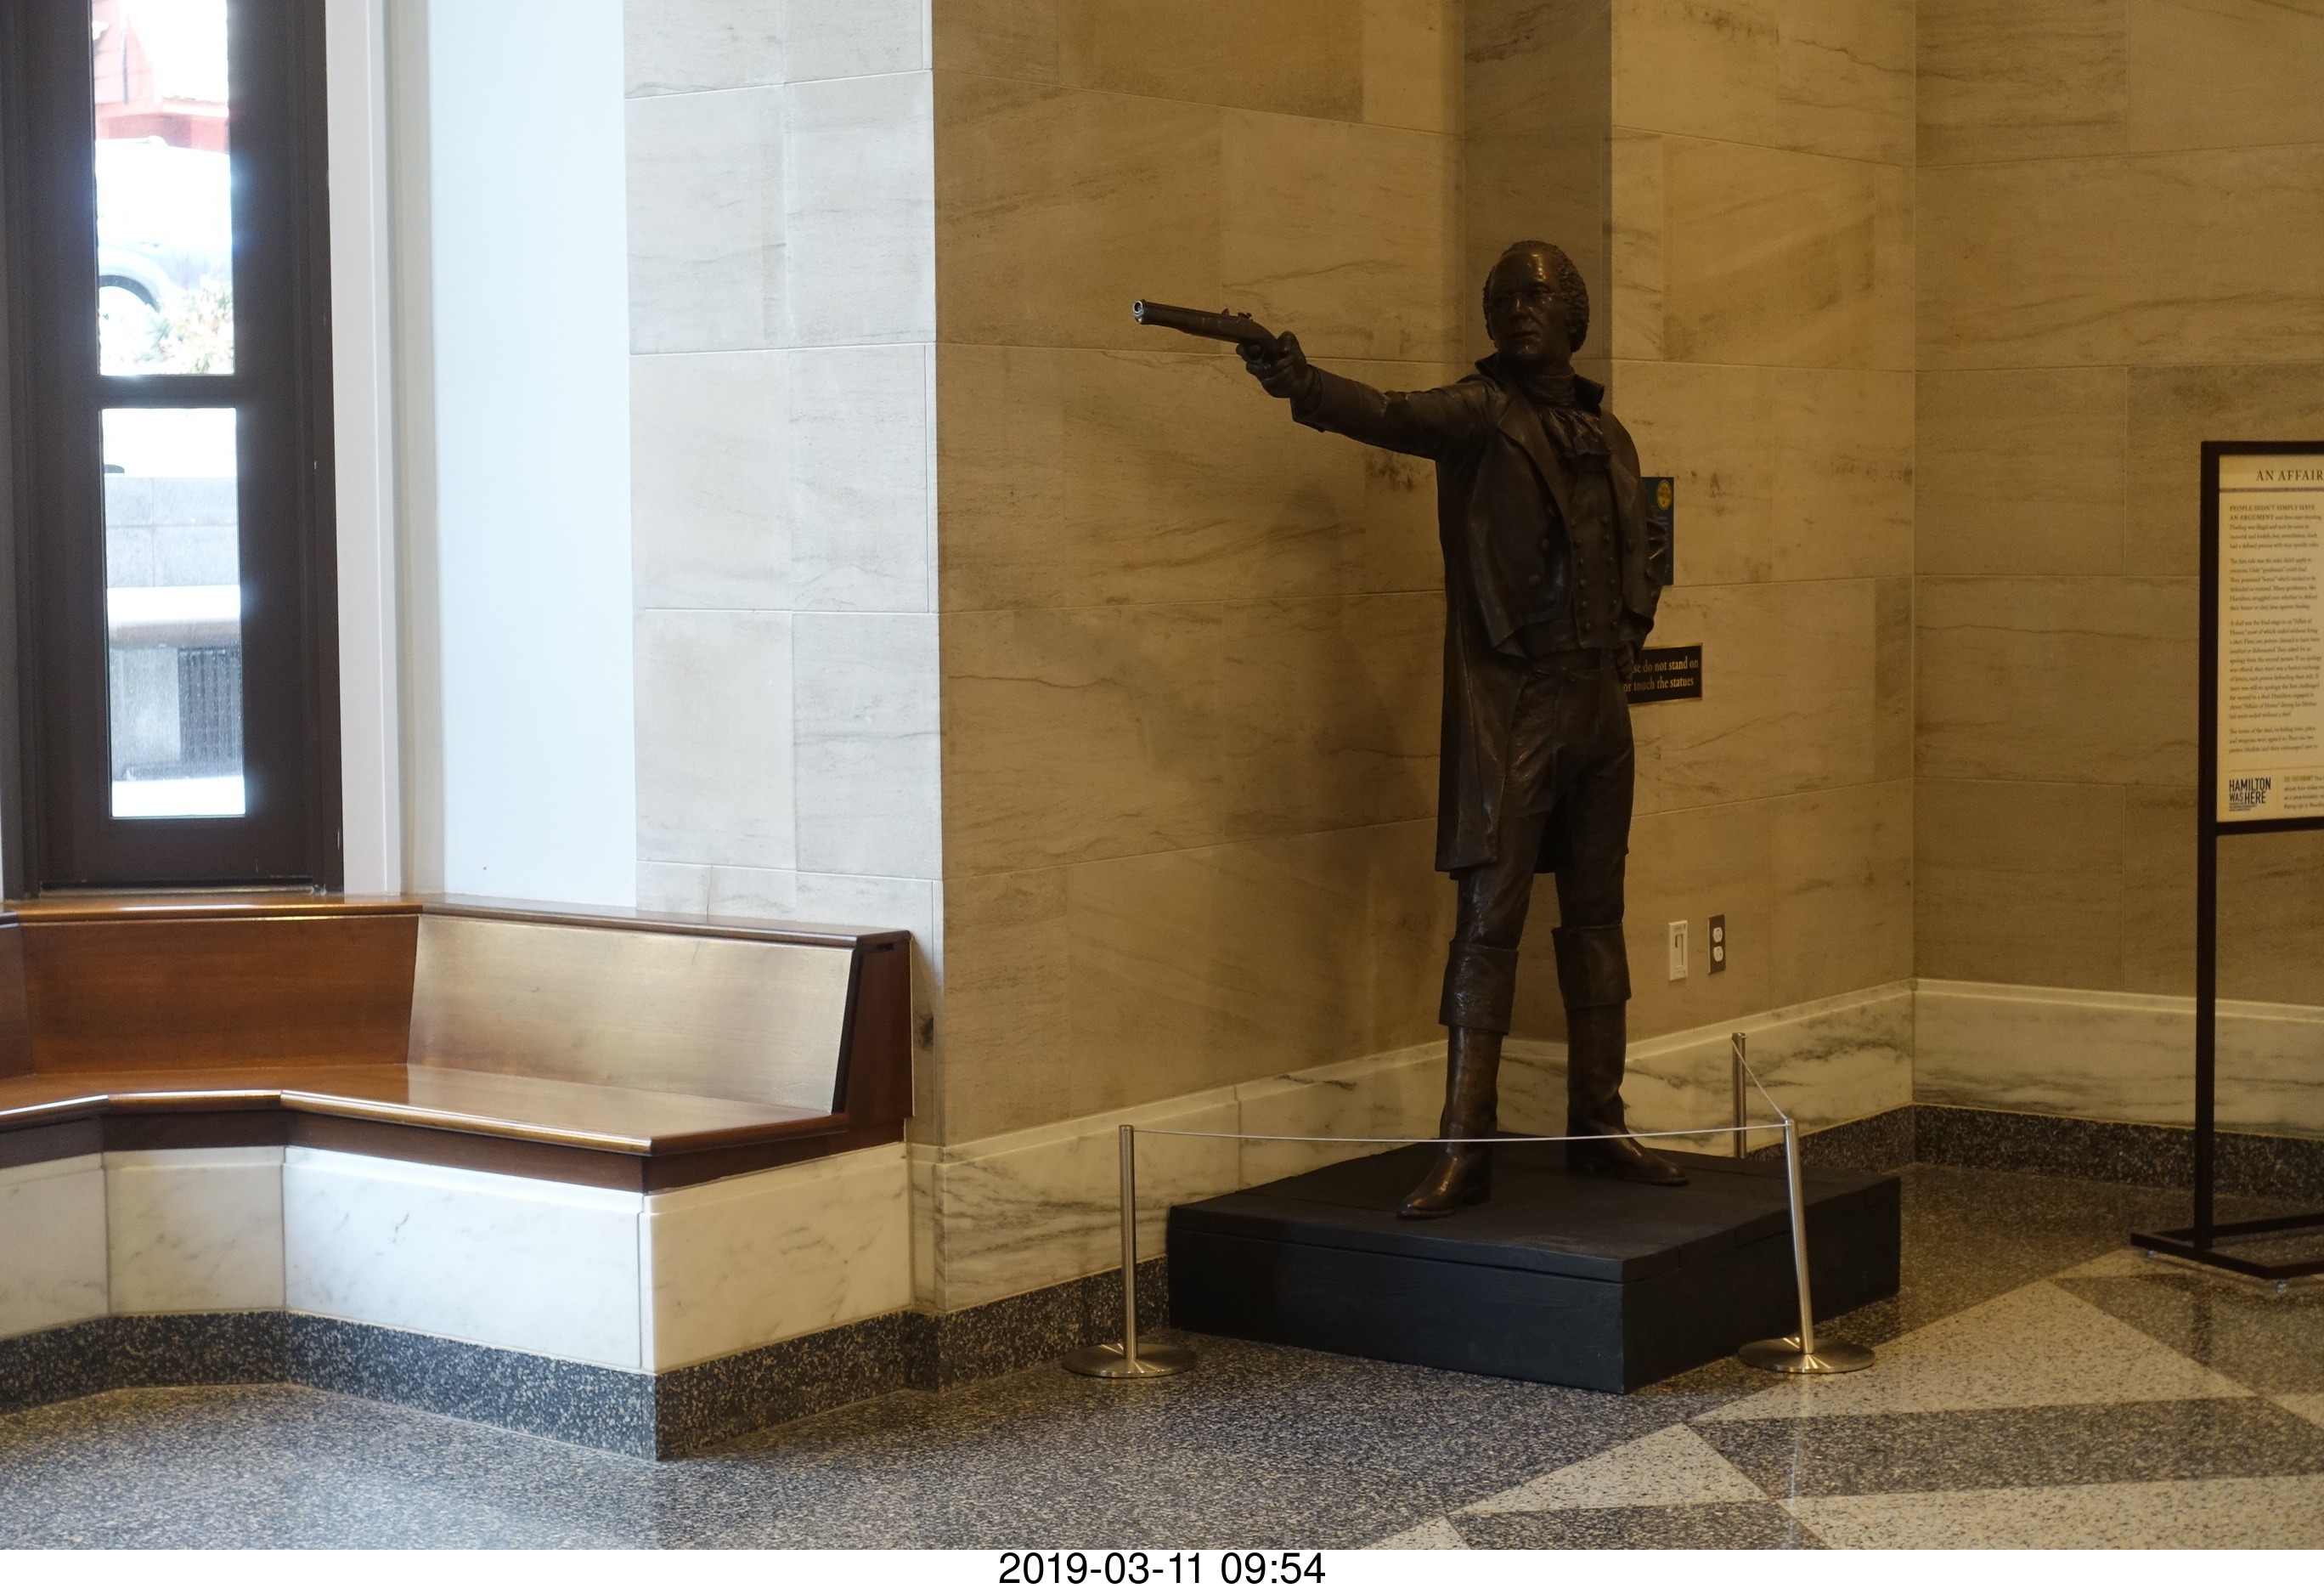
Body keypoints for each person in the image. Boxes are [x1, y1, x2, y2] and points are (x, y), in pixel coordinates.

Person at [1241, 240, 1688, 1219]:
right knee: (1488, 925)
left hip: (1599, 709)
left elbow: (1648, 538)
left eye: (1536, 295)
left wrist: (1631, 627)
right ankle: (1465, 1144)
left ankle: (1600, 1122)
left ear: (1573, 314)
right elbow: (1389, 414)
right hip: (1515, 707)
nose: (1517, 309)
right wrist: (1299, 382)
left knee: (1599, 920)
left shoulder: (1610, 434)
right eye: (1501, 299)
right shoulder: (1481, 415)